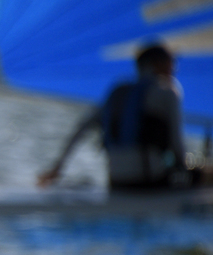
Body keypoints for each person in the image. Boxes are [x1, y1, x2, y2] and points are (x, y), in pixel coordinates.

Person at [38, 43, 204, 190]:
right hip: (149, 182)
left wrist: (56, 169)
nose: (175, 69)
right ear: (159, 64)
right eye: (172, 62)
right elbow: (177, 148)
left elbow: (80, 130)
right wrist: (193, 175)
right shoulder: (168, 92)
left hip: (115, 181)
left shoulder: (116, 94)